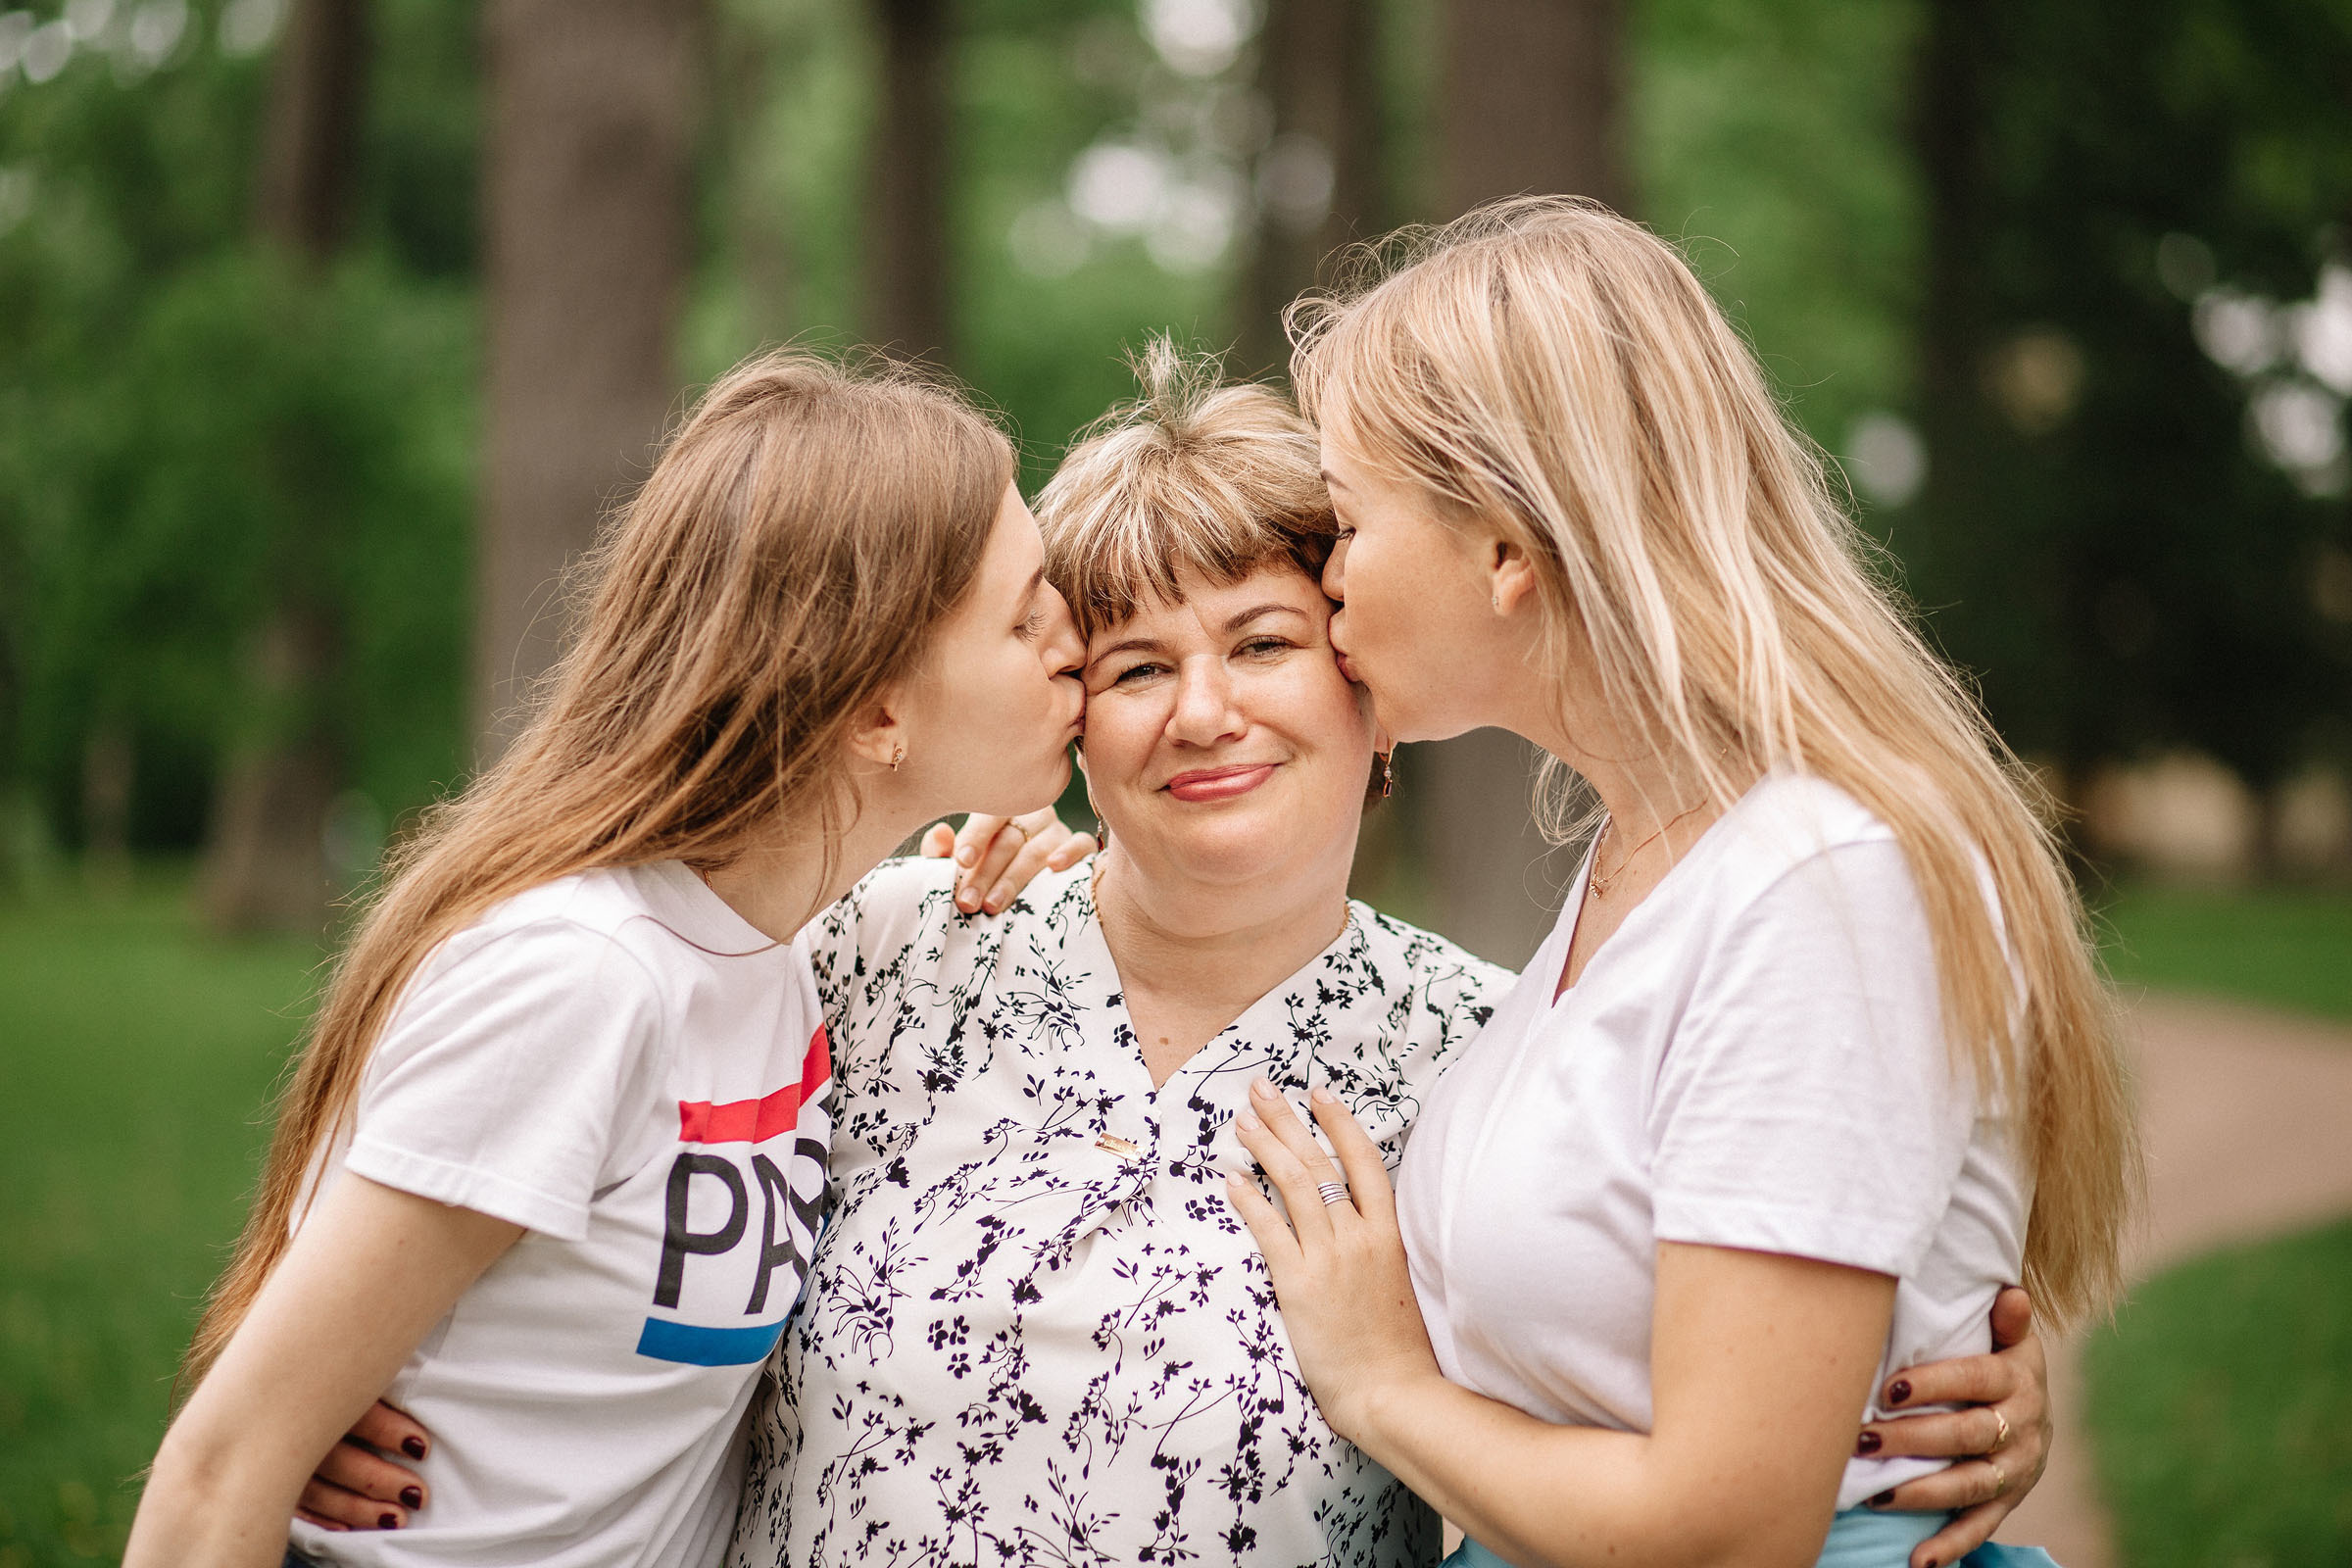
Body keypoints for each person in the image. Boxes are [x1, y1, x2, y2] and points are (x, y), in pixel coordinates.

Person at [300, 347, 2054, 1567]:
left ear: (1371, 694)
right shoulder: (888, 957)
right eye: (1133, 664)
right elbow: (538, 1125)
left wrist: (1951, 1402)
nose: (1201, 711)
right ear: (1068, 715)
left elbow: (1672, 1367)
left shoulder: (1485, 1062)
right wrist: (354, 1379)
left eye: (1264, 642)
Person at [1220, 199, 2136, 1568]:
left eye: (1348, 524)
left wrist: (1383, 1386)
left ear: (1508, 548)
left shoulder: (1820, 888)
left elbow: (1730, 1532)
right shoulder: (1646, 860)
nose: (1329, 581)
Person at [126, 352, 1089, 1568]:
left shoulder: (779, 946)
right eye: (1026, 614)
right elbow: (220, 1470)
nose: (1078, 639)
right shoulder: (578, 978)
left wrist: (1042, 864)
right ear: (875, 710)